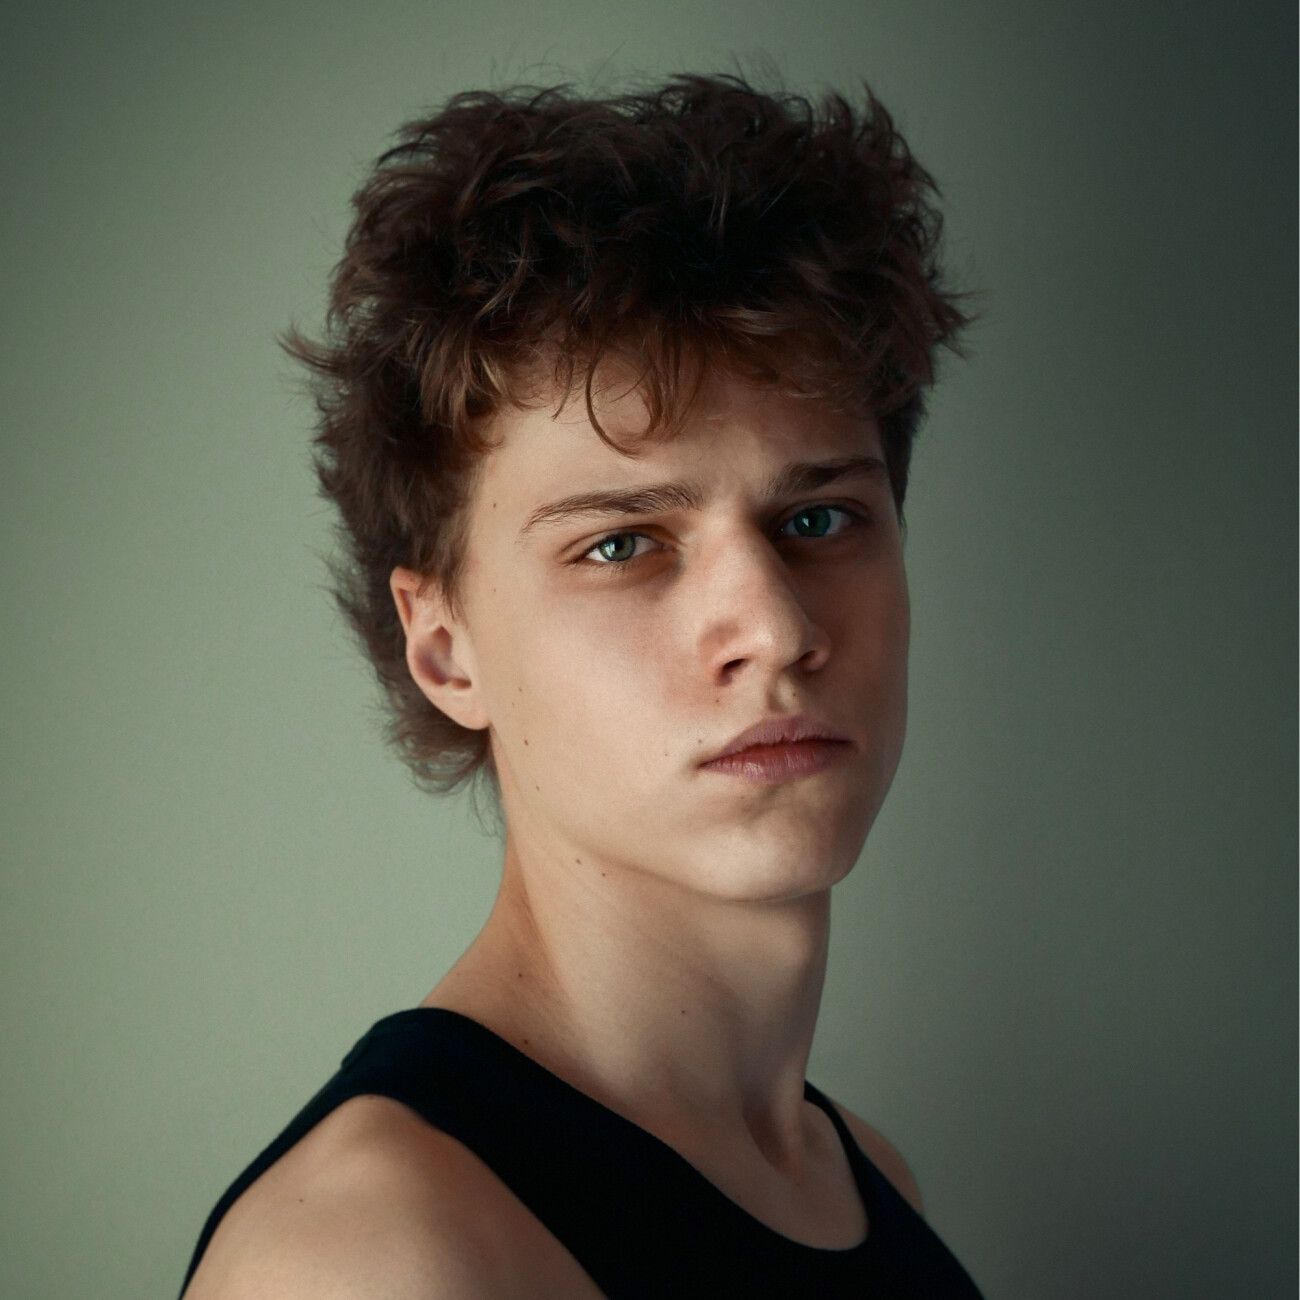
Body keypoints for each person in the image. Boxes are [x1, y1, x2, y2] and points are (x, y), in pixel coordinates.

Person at [179, 73, 982, 1298]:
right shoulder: (375, 1257)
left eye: (818, 518)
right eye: (622, 544)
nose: (775, 630)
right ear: (445, 648)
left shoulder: (868, 1179)